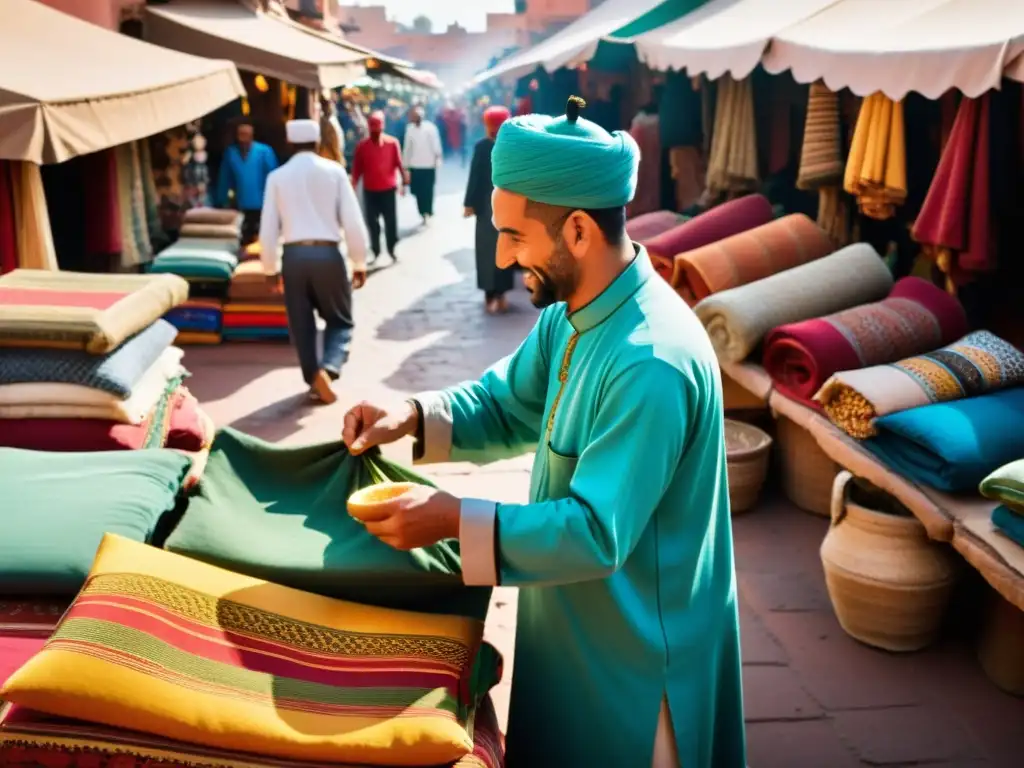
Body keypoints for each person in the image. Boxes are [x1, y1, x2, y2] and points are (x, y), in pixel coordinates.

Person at [341, 96, 745, 768]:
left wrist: (450, 520)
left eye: (516, 236)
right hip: (574, 627)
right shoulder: (575, 311)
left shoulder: (650, 361)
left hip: (640, 667)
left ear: (579, 231)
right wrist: (408, 418)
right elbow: (508, 404)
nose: (500, 256)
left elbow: (594, 532)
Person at [258, 119, 370, 405]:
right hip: (328, 255)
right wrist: (360, 261)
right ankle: (329, 370)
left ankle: (313, 379)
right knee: (341, 320)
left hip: (293, 257)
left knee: (301, 324)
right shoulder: (334, 172)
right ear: (318, 142)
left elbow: (268, 227)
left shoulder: (277, 177)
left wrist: (269, 268)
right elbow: (353, 222)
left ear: (290, 144)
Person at [464, 105, 515, 314]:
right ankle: (501, 294)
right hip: (509, 205)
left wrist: (468, 203)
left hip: (486, 206)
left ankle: (489, 295)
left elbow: (474, 177)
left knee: (486, 249)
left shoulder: (482, 147)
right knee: (506, 245)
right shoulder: (512, 146)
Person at [351, 111, 405, 265]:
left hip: (388, 189)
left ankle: (392, 248)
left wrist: (404, 182)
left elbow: (399, 163)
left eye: (378, 129)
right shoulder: (362, 147)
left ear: (382, 128)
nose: (376, 133)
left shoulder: (392, 143)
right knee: (372, 223)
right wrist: (353, 184)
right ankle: (376, 250)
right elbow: (357, 168)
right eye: (373, 130)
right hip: (371, 190)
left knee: (391, 222)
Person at [215, 119, 278, 243]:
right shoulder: (231, 153)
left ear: (252, 134)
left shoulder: (264, 152)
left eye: (247, 134)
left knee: (262, 239)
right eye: (241, 134)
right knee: (241, 237)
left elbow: (273, 177)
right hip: (240, 204)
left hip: (262, 205)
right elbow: (225, 178)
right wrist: (223, 201)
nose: (244, 138)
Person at [402, 106, 443, 225]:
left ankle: (428, 210)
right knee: (417, 190)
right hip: (415, 165)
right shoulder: (410, 129)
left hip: (429, 165)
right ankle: (422, 211)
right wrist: (405, 165)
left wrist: (437, 159)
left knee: (428, 189)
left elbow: (436, 145)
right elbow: (407, 148)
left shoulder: (430, 128)